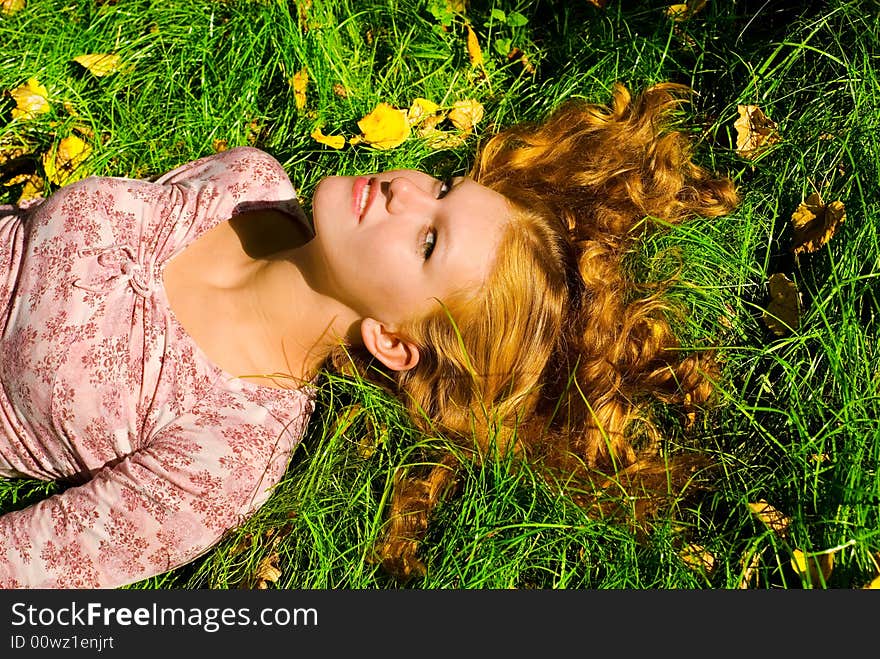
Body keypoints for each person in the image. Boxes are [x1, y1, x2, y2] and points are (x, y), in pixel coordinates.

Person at [0, 81, 738, 588]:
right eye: (443, 189)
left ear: (393, 341)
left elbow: (27, 564)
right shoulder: (247, 182)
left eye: (426, 240)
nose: (405, 189)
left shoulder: (226, 456)